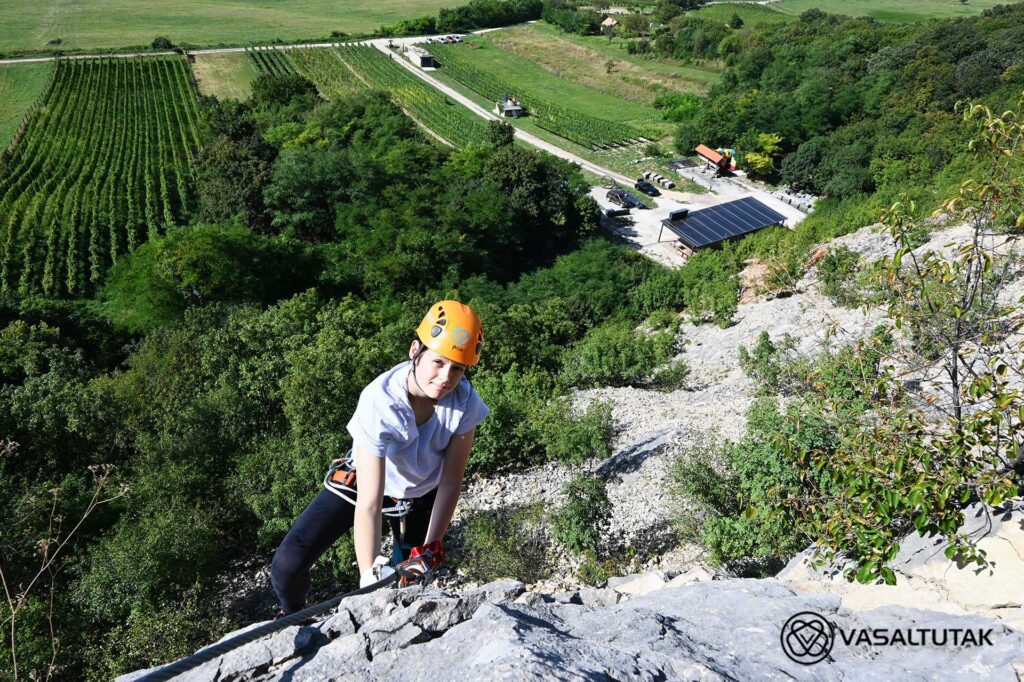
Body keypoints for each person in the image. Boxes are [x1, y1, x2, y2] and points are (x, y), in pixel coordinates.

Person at [270, 300, 488, 614]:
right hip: (368, 482)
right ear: (415, 351)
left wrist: (429, 548)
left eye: (457, 368)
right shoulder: (381, 401)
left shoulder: (465, 403)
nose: (446, 378)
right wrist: (367, 576)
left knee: (408, 581)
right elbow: (369, 501)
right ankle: (292, 614)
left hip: (421, 491)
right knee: (287, 565)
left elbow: (452, 482)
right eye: (438, 362)